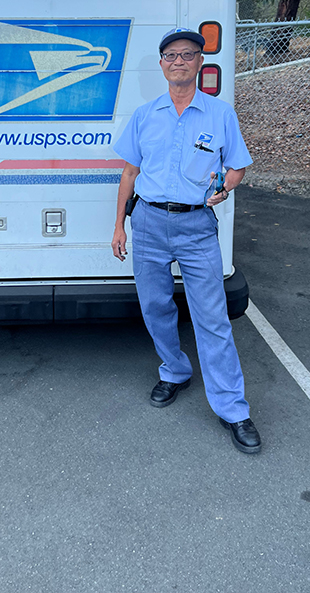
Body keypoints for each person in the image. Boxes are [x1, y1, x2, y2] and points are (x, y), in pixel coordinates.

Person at [111, 27, 261, 454]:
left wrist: (225, 187)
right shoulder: (144, 115)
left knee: (211, 318)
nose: (179, 61)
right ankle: (174, 370)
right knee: (155, 306)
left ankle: (233, 409)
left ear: (200, 63)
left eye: (188, 54)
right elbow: (128, 174)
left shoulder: (220, 115)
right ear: (161, 65)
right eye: (171, 55)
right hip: (150, 225)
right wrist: (119, 225)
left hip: (197, 228)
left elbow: (237, 167)